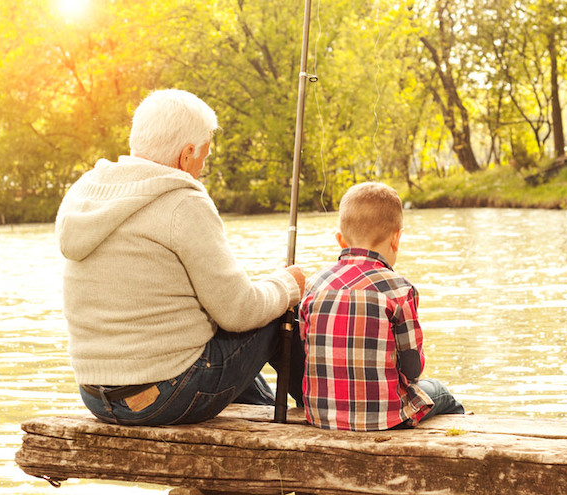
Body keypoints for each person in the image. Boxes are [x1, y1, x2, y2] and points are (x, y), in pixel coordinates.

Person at [56, 89, 305, 426]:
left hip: (96, 396)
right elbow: (239, 310)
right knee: (276, 311)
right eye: (205, 154)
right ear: (186, 154)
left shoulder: (84, 193)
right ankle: (326, 407)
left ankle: (263, 411)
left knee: (220, 336)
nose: (203, 165)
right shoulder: (183, 202)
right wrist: (288, 284)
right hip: (166, 395)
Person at [299, 182, 465, 432]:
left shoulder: (312, 286)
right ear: (397, 238)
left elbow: (306, 349)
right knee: (440, 392)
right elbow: (412, 369)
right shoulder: (399, 289)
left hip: (321, 416)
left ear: (340, 239)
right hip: (385, 420)